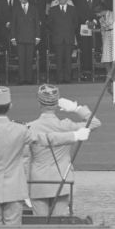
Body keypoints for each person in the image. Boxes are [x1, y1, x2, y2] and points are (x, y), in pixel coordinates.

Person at [0, 86, 91, 226]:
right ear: (10, 106)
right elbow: (46, 139)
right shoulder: (21, 130)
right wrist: (74, 135)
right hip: (15, 191)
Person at [27, 85, 101, 217]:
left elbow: (25, 158)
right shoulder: (67, 126)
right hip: (62, 180)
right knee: (59, 224)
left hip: (38, 182)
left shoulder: (30, 127)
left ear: (39, 103)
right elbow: (95, 123)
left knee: (40, 226)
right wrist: (76, 108)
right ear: (57, 104)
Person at [47, 0, 78, 83]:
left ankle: (68, 78)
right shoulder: (53, 9)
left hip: (69, 38)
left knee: (68, 60)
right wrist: (57, 31)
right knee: (59, 59)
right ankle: (59, 78)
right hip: (58, 38)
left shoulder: (72, 9)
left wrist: (69, 31)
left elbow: (75, 23)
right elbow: (49, 23)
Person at [11, 0, 40, 85]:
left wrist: (37, 37)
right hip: (19, 38)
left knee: (29, 59)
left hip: (31, 37)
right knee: (21, 59)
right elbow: (13, 24)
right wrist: (13, 38)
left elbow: (37, 24)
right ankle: (21, 79)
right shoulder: (15, 8)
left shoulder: (34, 8)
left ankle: (29, 79)